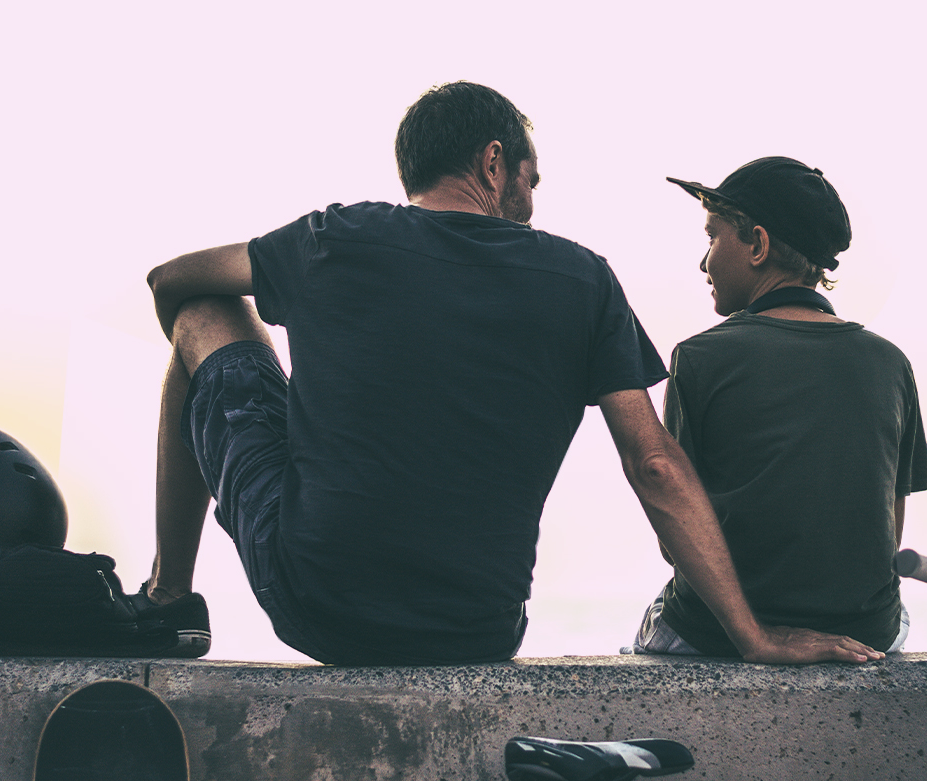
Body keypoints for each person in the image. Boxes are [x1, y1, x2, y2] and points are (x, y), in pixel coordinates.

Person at [138, 85, 883, 665]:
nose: (532, 201)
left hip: (318, 607)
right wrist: (754, 637)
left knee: (203, 312)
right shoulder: (582, 279)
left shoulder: (334, 238)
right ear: (494, 163)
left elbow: (170, 280)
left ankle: (169, 598)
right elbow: (654, 464)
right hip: (479, 629)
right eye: (532, 178)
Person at [626, 157, 927, 658]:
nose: (703, 263)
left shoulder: (702, 357)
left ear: (758, 244)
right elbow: (887, 531)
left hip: (719, 632)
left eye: (712, 238)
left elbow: (675, 541)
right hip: (867, 633)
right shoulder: (890, 363)